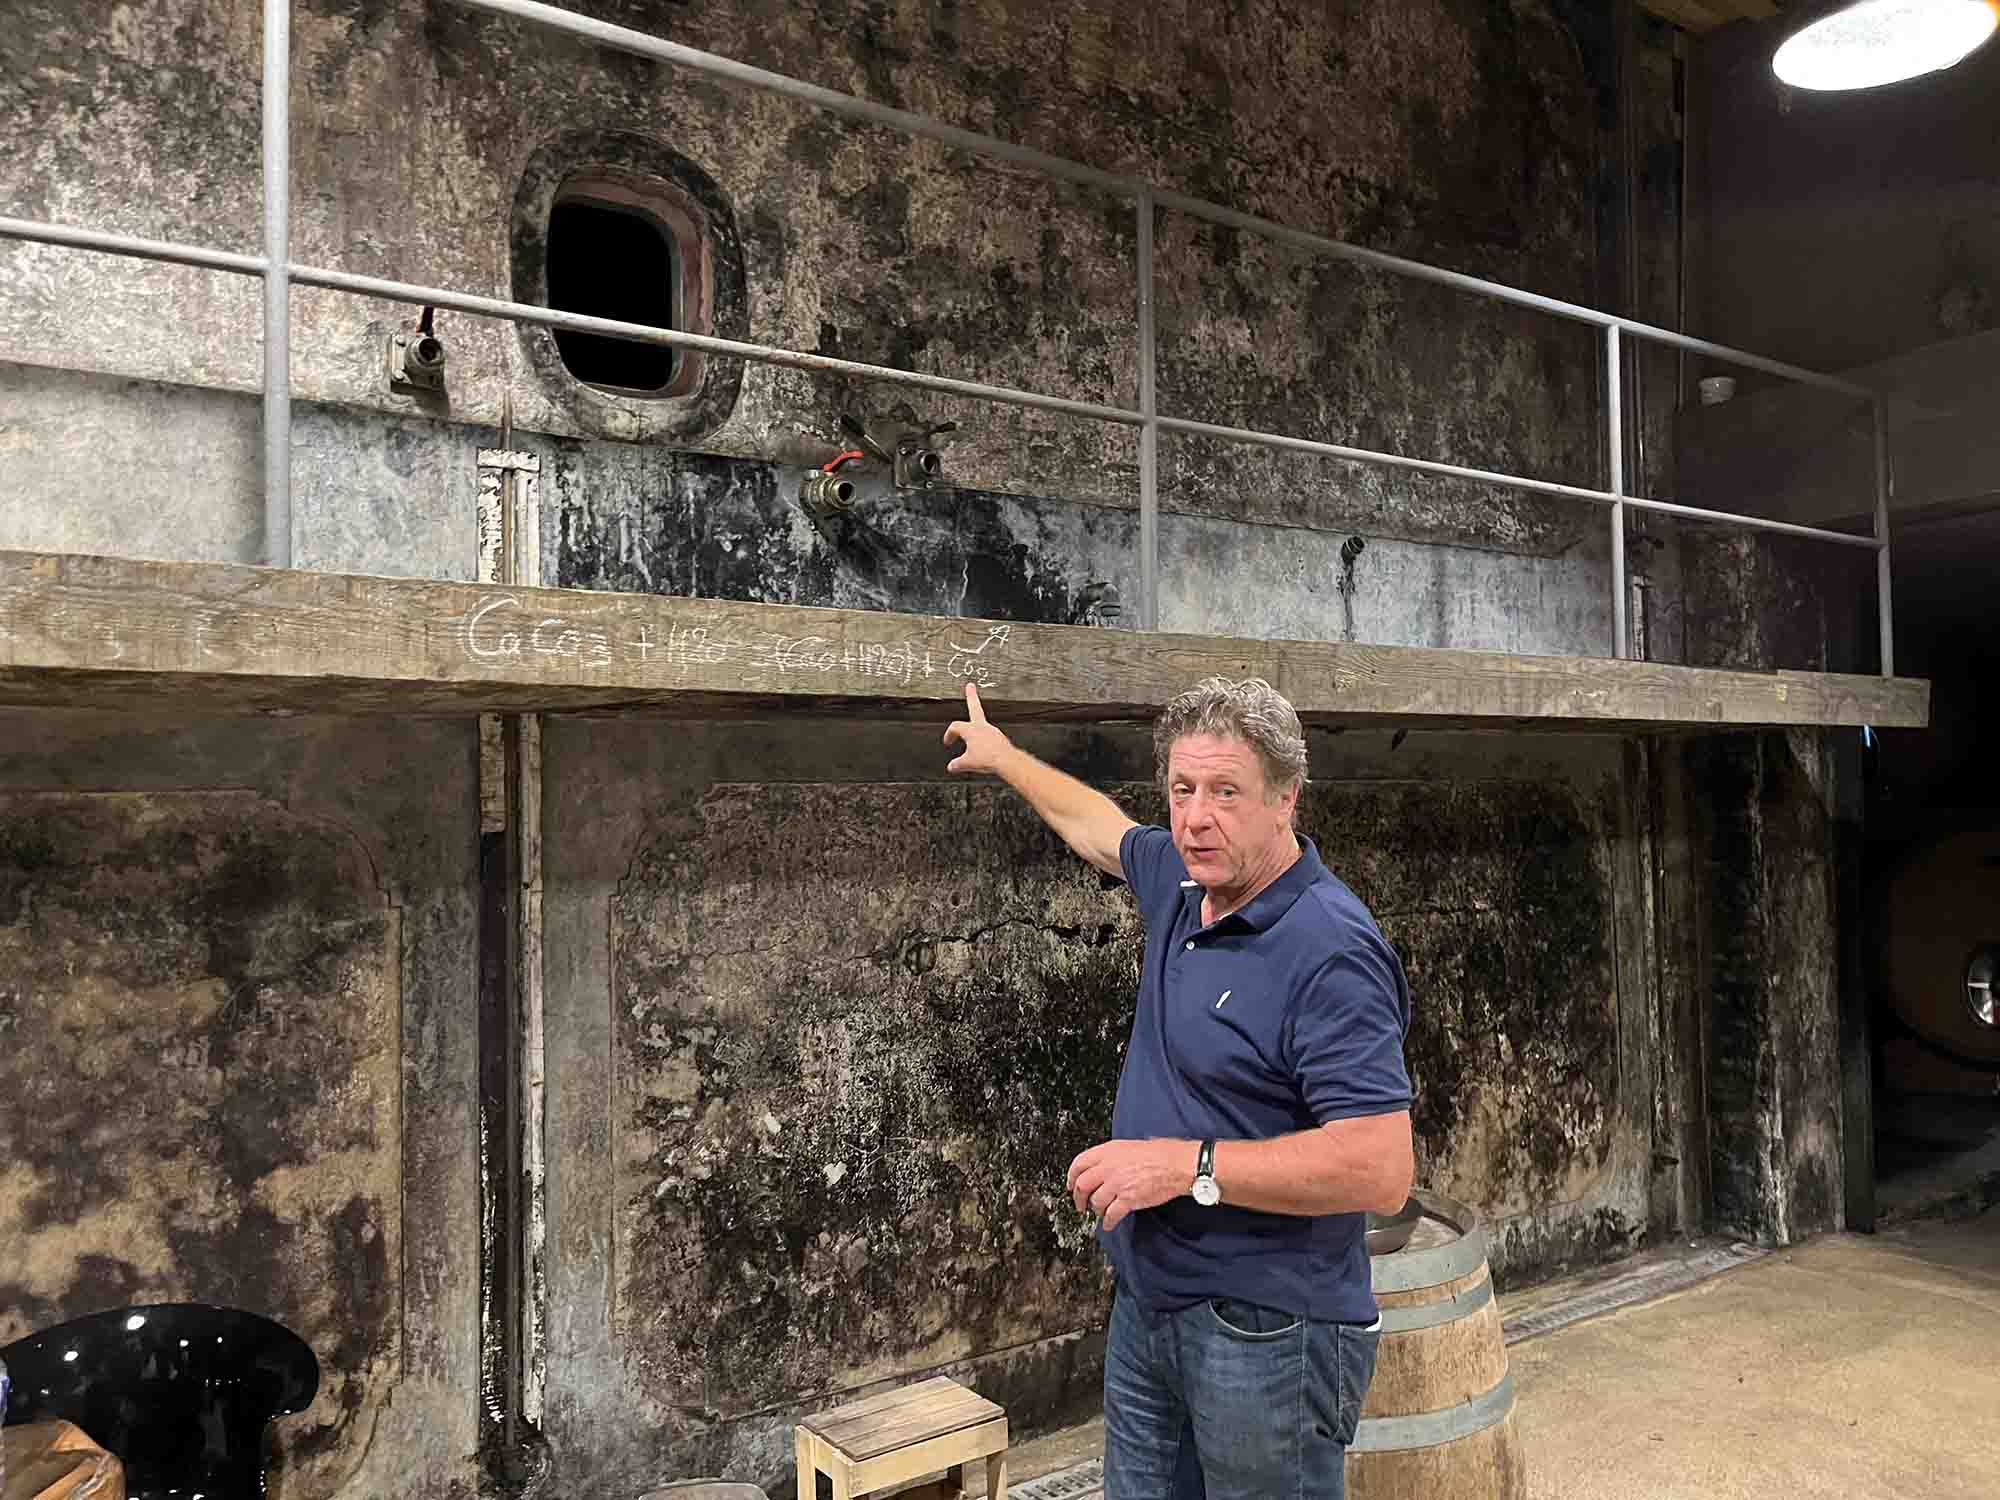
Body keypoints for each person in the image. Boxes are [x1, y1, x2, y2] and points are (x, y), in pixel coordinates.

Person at [942, 675, 1414, 1500]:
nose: (1196, 817)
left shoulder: (1330, 947)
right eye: (1182, 789)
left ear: (1286, 799)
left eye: (1226, 792)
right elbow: (1098, 829)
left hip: (1268, 1332)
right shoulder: (1186, 880)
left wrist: (1183, 1166)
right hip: (1150, 1306)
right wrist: (1006, 757)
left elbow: (1380, 1169)